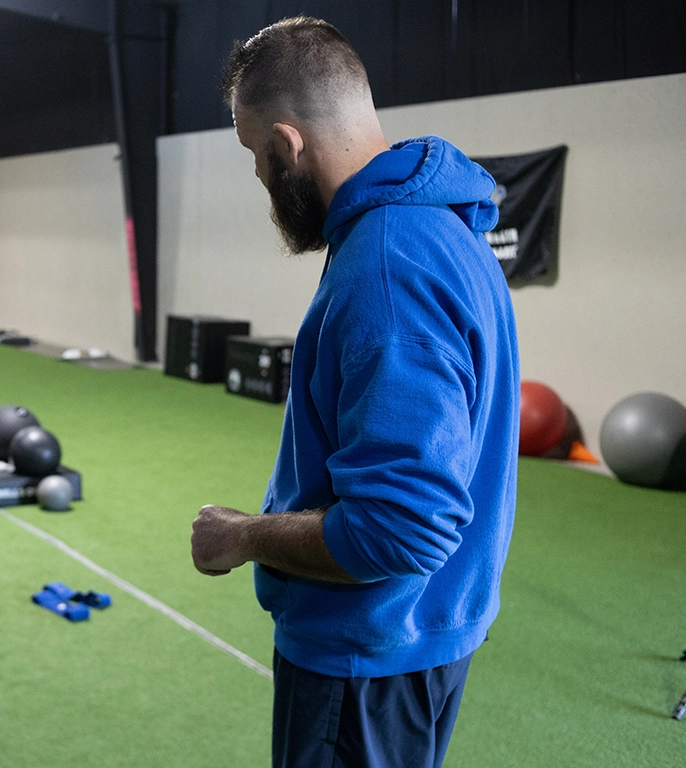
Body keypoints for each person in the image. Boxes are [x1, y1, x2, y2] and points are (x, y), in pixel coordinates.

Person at [190, 17, 520, 768]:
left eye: (255, 155)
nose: (259, 178)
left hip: (365, 659)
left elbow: (400, 530)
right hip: (423, 638)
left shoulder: (387, 267)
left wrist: (243, 535)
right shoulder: (441, 226)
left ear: (288, 145)